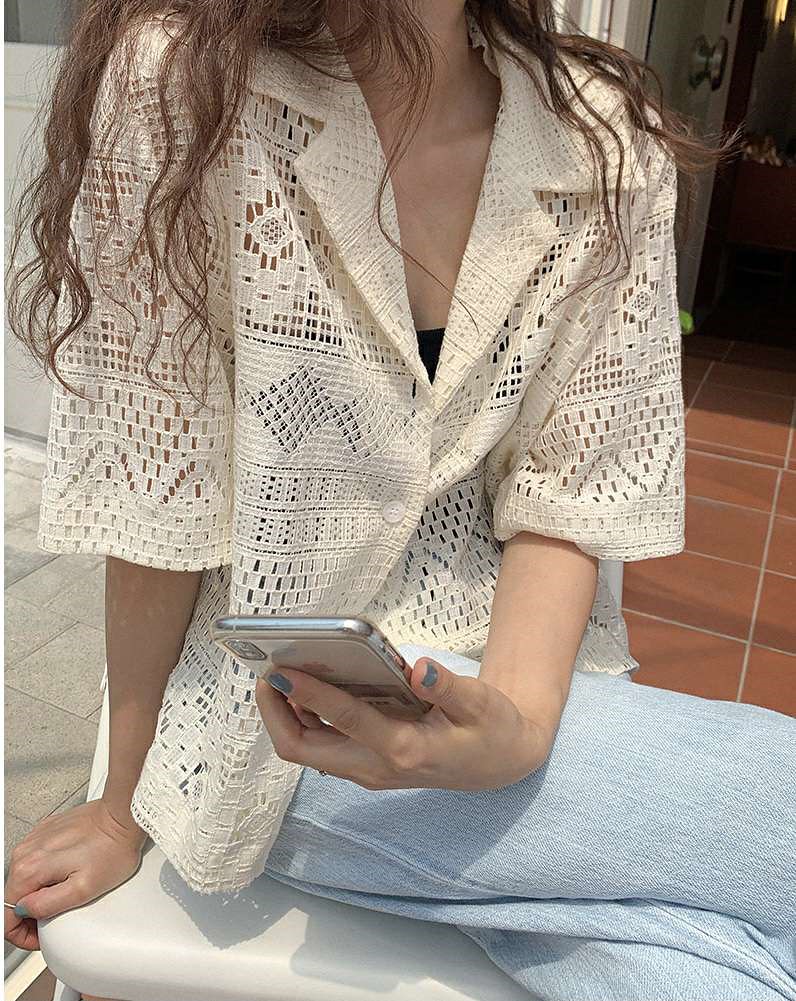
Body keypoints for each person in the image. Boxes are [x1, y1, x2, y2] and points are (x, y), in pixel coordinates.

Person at [4, 2, 794, 999]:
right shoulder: (185, 84)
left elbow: (564, 492)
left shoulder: (600, 134)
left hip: (528, 682)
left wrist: (516, 726)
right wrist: (120, 803)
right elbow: (162, 504)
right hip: (286, 722)